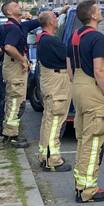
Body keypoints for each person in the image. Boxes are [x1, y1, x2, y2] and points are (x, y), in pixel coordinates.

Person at [0, 0, 42, 147]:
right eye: (14, 6)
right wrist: (21, 59)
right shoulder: (10, 28)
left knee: (16, 100)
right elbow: (8, 47)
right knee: (13, 101)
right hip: (13, 66)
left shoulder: (20, 25)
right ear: (8, 12)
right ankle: (10, 135)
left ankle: (10, 132)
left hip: (14, 67)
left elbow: (38, 22)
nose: (18, 6)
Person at [69, 0, 104, 203]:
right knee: (94, 140)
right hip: (91, 88)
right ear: (93, 15)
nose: (101, 10)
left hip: (77, 86)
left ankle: (81, 184)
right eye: (98, 8)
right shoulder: (97, 38)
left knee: (83, 139)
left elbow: (68, 65)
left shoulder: (75, 36)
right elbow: (99, 70)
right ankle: (89, 189)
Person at [34, 10, 71, 172]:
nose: (57, 20)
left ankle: (45, 155)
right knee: (55, 119)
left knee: (49, 119)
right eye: (55, 18)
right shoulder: (51, 41)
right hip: (57, 83)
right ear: (50, 22)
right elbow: (67, 56)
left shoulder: (42, 38)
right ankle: (52, 159)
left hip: (50, 81)